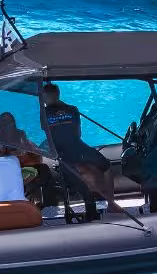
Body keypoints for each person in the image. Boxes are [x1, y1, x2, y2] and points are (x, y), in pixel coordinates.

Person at [39, 82, 116, 217]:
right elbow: (78, 133)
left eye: (44, 97)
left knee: (75, 175)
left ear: (49, 96)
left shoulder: (43, 113)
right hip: (78, 146)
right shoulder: (73, 109)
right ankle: (110, 203)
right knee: (107, 165)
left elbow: (48, 135)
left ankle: (92, 208)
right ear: (58, 94)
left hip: (62, 152)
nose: (44, 100)